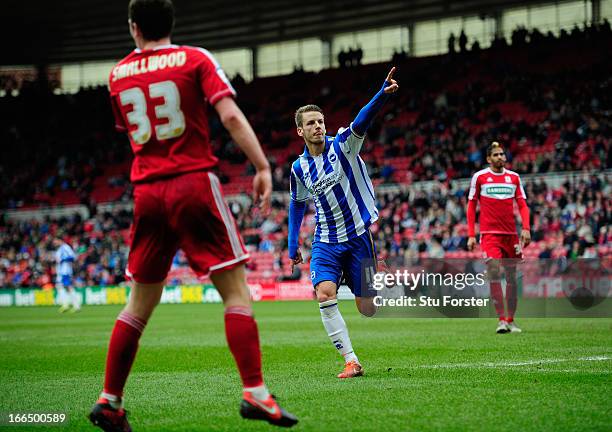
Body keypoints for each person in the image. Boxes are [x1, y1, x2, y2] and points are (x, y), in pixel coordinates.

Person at [89, 0, 297, 430]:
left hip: (146, 190)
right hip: (192, 183)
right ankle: (256, 393)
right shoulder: (194, 59)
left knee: (137, 305)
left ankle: (110, 399)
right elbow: (231, 116)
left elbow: (130, 131)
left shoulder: (116, 74)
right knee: (236, 292)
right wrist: (261, 166)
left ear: (133, 28)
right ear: (171, 22)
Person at [288, 67, 399, 378]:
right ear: (301, 131)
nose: (318, 127)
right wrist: (292, 243)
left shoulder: (343, 146)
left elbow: (362, 119)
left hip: (358, 236)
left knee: (368, 309)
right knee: (324, 292)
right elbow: (297, 204)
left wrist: (380, 94)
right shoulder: (299, 168)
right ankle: (351, 360)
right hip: (325, 239)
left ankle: (378, 275)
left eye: (320, 121)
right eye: (310, 123)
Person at [467, 142, 531, 334]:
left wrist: (526, 228)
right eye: (496, 155)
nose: (500, 157)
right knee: (494, 270)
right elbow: (471, 206)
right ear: (488, 159)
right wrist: (471, 234)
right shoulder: (480, 178)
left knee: (511, 277)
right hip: (489, 234)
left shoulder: (514, 178)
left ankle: (511, 320)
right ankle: (501, 320)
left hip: (510, 235)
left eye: (502, 154)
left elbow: (522, 205)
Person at [53, 236, 80, 313]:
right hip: (61, 272)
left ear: (59, 240)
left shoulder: (65, 247)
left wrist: (62, 260)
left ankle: (73, 305)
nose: (54, 242)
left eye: (55, 240)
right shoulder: (60, 249)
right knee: (60, 286)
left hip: (65, 271)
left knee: (67, 287)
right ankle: (68, 305)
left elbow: (73, 257)